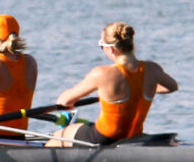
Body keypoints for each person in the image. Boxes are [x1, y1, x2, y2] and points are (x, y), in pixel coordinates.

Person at [49, 21, 178, 146]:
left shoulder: (102, 74)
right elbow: (172, 87)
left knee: (58, 135)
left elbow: (64, 101)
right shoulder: (153, 69)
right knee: (80, 128)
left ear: (111, 49)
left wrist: (68, 104)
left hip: (104, 138)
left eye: (101, 46)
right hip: (134, 135)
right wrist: (139, 89)